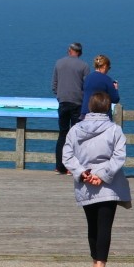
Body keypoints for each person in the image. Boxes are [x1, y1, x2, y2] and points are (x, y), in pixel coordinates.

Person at [62, 91, 132, 267]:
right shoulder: (115, 130)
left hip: (85, 184)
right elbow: (119, 157)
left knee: (92, 225)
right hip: (108, 186)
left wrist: (83, 173)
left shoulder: (76, 129)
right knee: (104, 227)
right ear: (108, 108)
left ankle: (95, 262)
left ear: (90, 107)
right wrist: (102, 175)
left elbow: (67, 156)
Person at [52, 42, 89, 174]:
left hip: (63, 102)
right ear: (80, 52)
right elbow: (86, 86)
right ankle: (72, 167)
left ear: (69, 51)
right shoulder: (84, 66)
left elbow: (54, 85)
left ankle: (59, 166)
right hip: (77, 103)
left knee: (62, 134)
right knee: (76, 136)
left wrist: (60, 95)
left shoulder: (59, 63)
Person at [80, 54, 120, 120]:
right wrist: (115, 88)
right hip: (101, 116)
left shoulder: (87, 78)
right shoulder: (107, 79)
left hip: (85, 114)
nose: (108, 70)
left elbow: (82, 94)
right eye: (109, 68)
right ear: (105, 66)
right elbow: (115, 99)